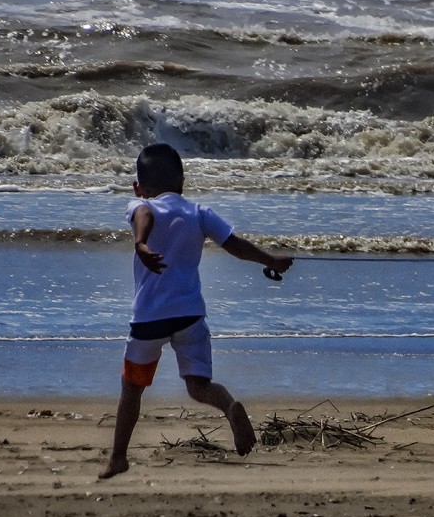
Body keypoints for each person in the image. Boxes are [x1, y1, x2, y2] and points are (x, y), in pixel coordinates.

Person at [98, 144, 293, 480]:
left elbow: (144, 215)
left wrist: (141, 243)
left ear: (138, 187)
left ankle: (118, 458)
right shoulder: (199, 211)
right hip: (190, 315)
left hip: (149, 319)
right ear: (183, 184)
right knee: (199, 385)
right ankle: (229, 407)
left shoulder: (140, 205)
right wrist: (270, 260)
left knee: (132, 387)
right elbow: (234, 244)